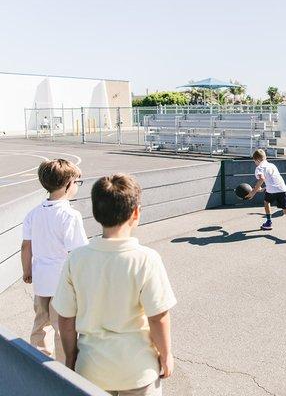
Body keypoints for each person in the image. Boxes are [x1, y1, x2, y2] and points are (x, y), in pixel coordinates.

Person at [52, 174, 177, 395]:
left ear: (96, 212)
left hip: (91, 370)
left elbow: (66, 319)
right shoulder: (146, 259)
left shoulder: (77, 259)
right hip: (138, 370)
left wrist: (71, 357)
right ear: (136, 212)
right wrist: (166, 356)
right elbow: (158, 316)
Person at [21, 159, 87, 362]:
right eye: (77, 182)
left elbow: (26, 247)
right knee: (62, 328)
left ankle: (38, 361)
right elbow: (78, 253)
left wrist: (27, 271)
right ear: (68, 184)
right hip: (62, 283)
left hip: (40, 280)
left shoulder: (33, 213)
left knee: (41, 324)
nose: (77, 185)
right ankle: (64, 367)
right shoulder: (70, 215)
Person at [246, 149, 286, 235]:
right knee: (285, 210)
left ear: (257, 160)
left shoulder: (259, 168)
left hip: (272, 191)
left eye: (254, 161)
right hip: (282, 189)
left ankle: (269, 222)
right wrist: (262, 189)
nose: (255, 163)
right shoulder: (272, 165)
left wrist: (253, 192)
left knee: (266, 202)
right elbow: (273, 181)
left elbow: (262, 179)